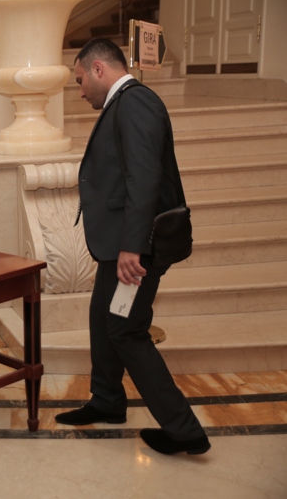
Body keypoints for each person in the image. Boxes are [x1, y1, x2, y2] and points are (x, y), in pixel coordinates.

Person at [55, 39, 210, 455]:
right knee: (101, 317)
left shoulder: (136, 102)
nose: (80, 90)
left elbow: (144, 178)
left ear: (99, 69)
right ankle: (107, 399)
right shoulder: (123, 104)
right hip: (120, 242)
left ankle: (184, 430)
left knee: (125, 329)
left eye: (80, 80)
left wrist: (132, 247)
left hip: (136, 246)